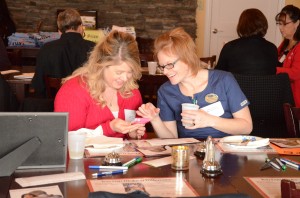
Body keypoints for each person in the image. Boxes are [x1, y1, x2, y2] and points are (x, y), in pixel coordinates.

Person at [136, 27, 252, 139]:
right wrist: (155, 119)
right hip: (188, 153)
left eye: (170, 64)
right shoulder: (166, 91)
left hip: (225, 150)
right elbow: (171, 138)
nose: (165, 71)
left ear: (187, 58)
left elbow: (246, 127)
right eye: (162, 66)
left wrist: (209, 120)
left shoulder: (223, 80)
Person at [55, 30, 146, 139]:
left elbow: (138, 140)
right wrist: (108, 128)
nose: (125, 78)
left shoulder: (132, 92)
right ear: (101, 65)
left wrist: (134, 134)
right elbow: (66, 140)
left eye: (130, 72)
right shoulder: (74, 91)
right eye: (119, 72)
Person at [31, 8, 95, 97]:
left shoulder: (46, 49)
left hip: (53, 106)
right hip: (86, 104)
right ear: (81, 27)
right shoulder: (94, 48)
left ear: (59, 31)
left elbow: (38, 86)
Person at [215, 8, 278, 75]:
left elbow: (218, 74)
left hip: (236, 85)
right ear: (264, 25)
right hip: (265, 85)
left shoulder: (229, 47)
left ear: (241, 25)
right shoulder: (272, 48)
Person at [275, 5, 300, 107]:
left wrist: (273, 69)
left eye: (285, 24)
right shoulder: (284, 44)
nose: (281, 28)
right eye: (279, 24)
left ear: (297, 23)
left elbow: (295, 73)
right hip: (284, 97)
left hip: (296, 101)